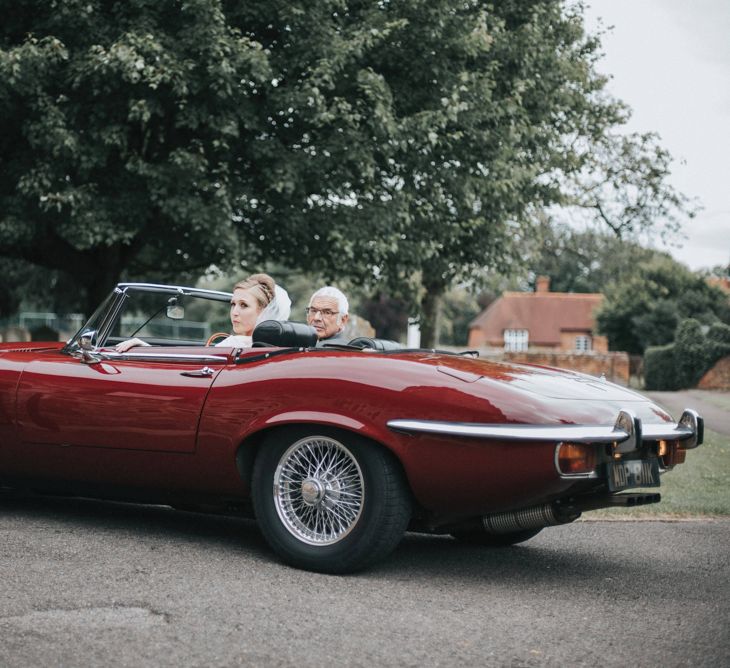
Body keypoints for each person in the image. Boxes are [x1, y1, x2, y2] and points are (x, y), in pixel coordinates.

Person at [114, 273, 291, 352]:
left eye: (244, 305)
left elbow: (187, 364)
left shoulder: (237, 342)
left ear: (263, 312)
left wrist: (146, 348)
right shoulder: (278, 348)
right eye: (233, 304)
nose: (234, 312)